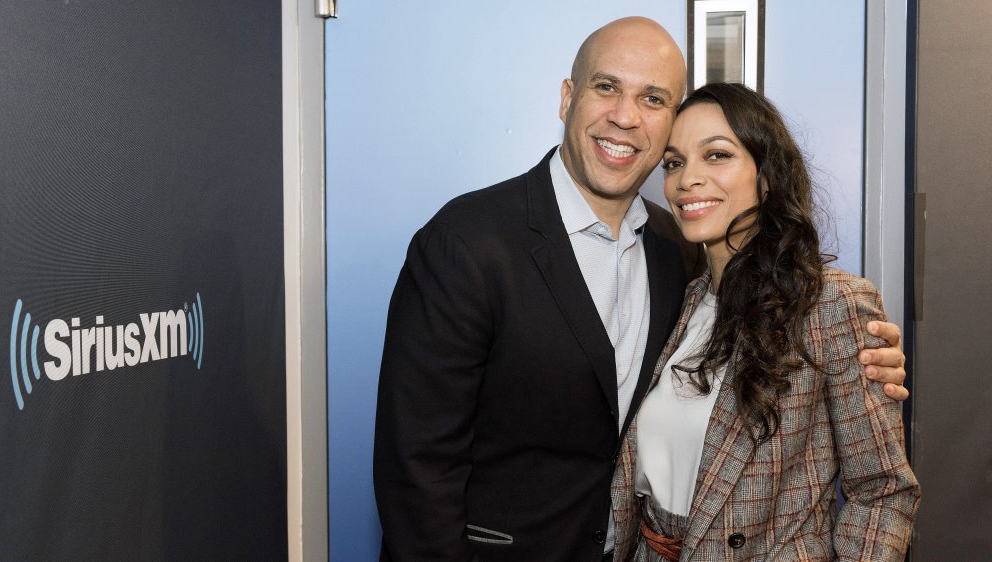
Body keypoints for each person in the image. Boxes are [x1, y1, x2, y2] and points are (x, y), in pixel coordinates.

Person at [374, 17, 909, 562]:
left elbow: (876, 479)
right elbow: (414, 466)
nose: (625, 116)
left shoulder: (674, 248)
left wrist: (864, 358)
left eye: (653, 99)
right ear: (567, 98)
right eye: (606, 87)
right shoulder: (465, 241)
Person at [610, 83, 920, 561]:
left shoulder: (830, 304)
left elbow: (882, 489)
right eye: (674, 162)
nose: (687, 178)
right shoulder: (681, 298)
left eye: (716, 155)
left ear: (767, 175)